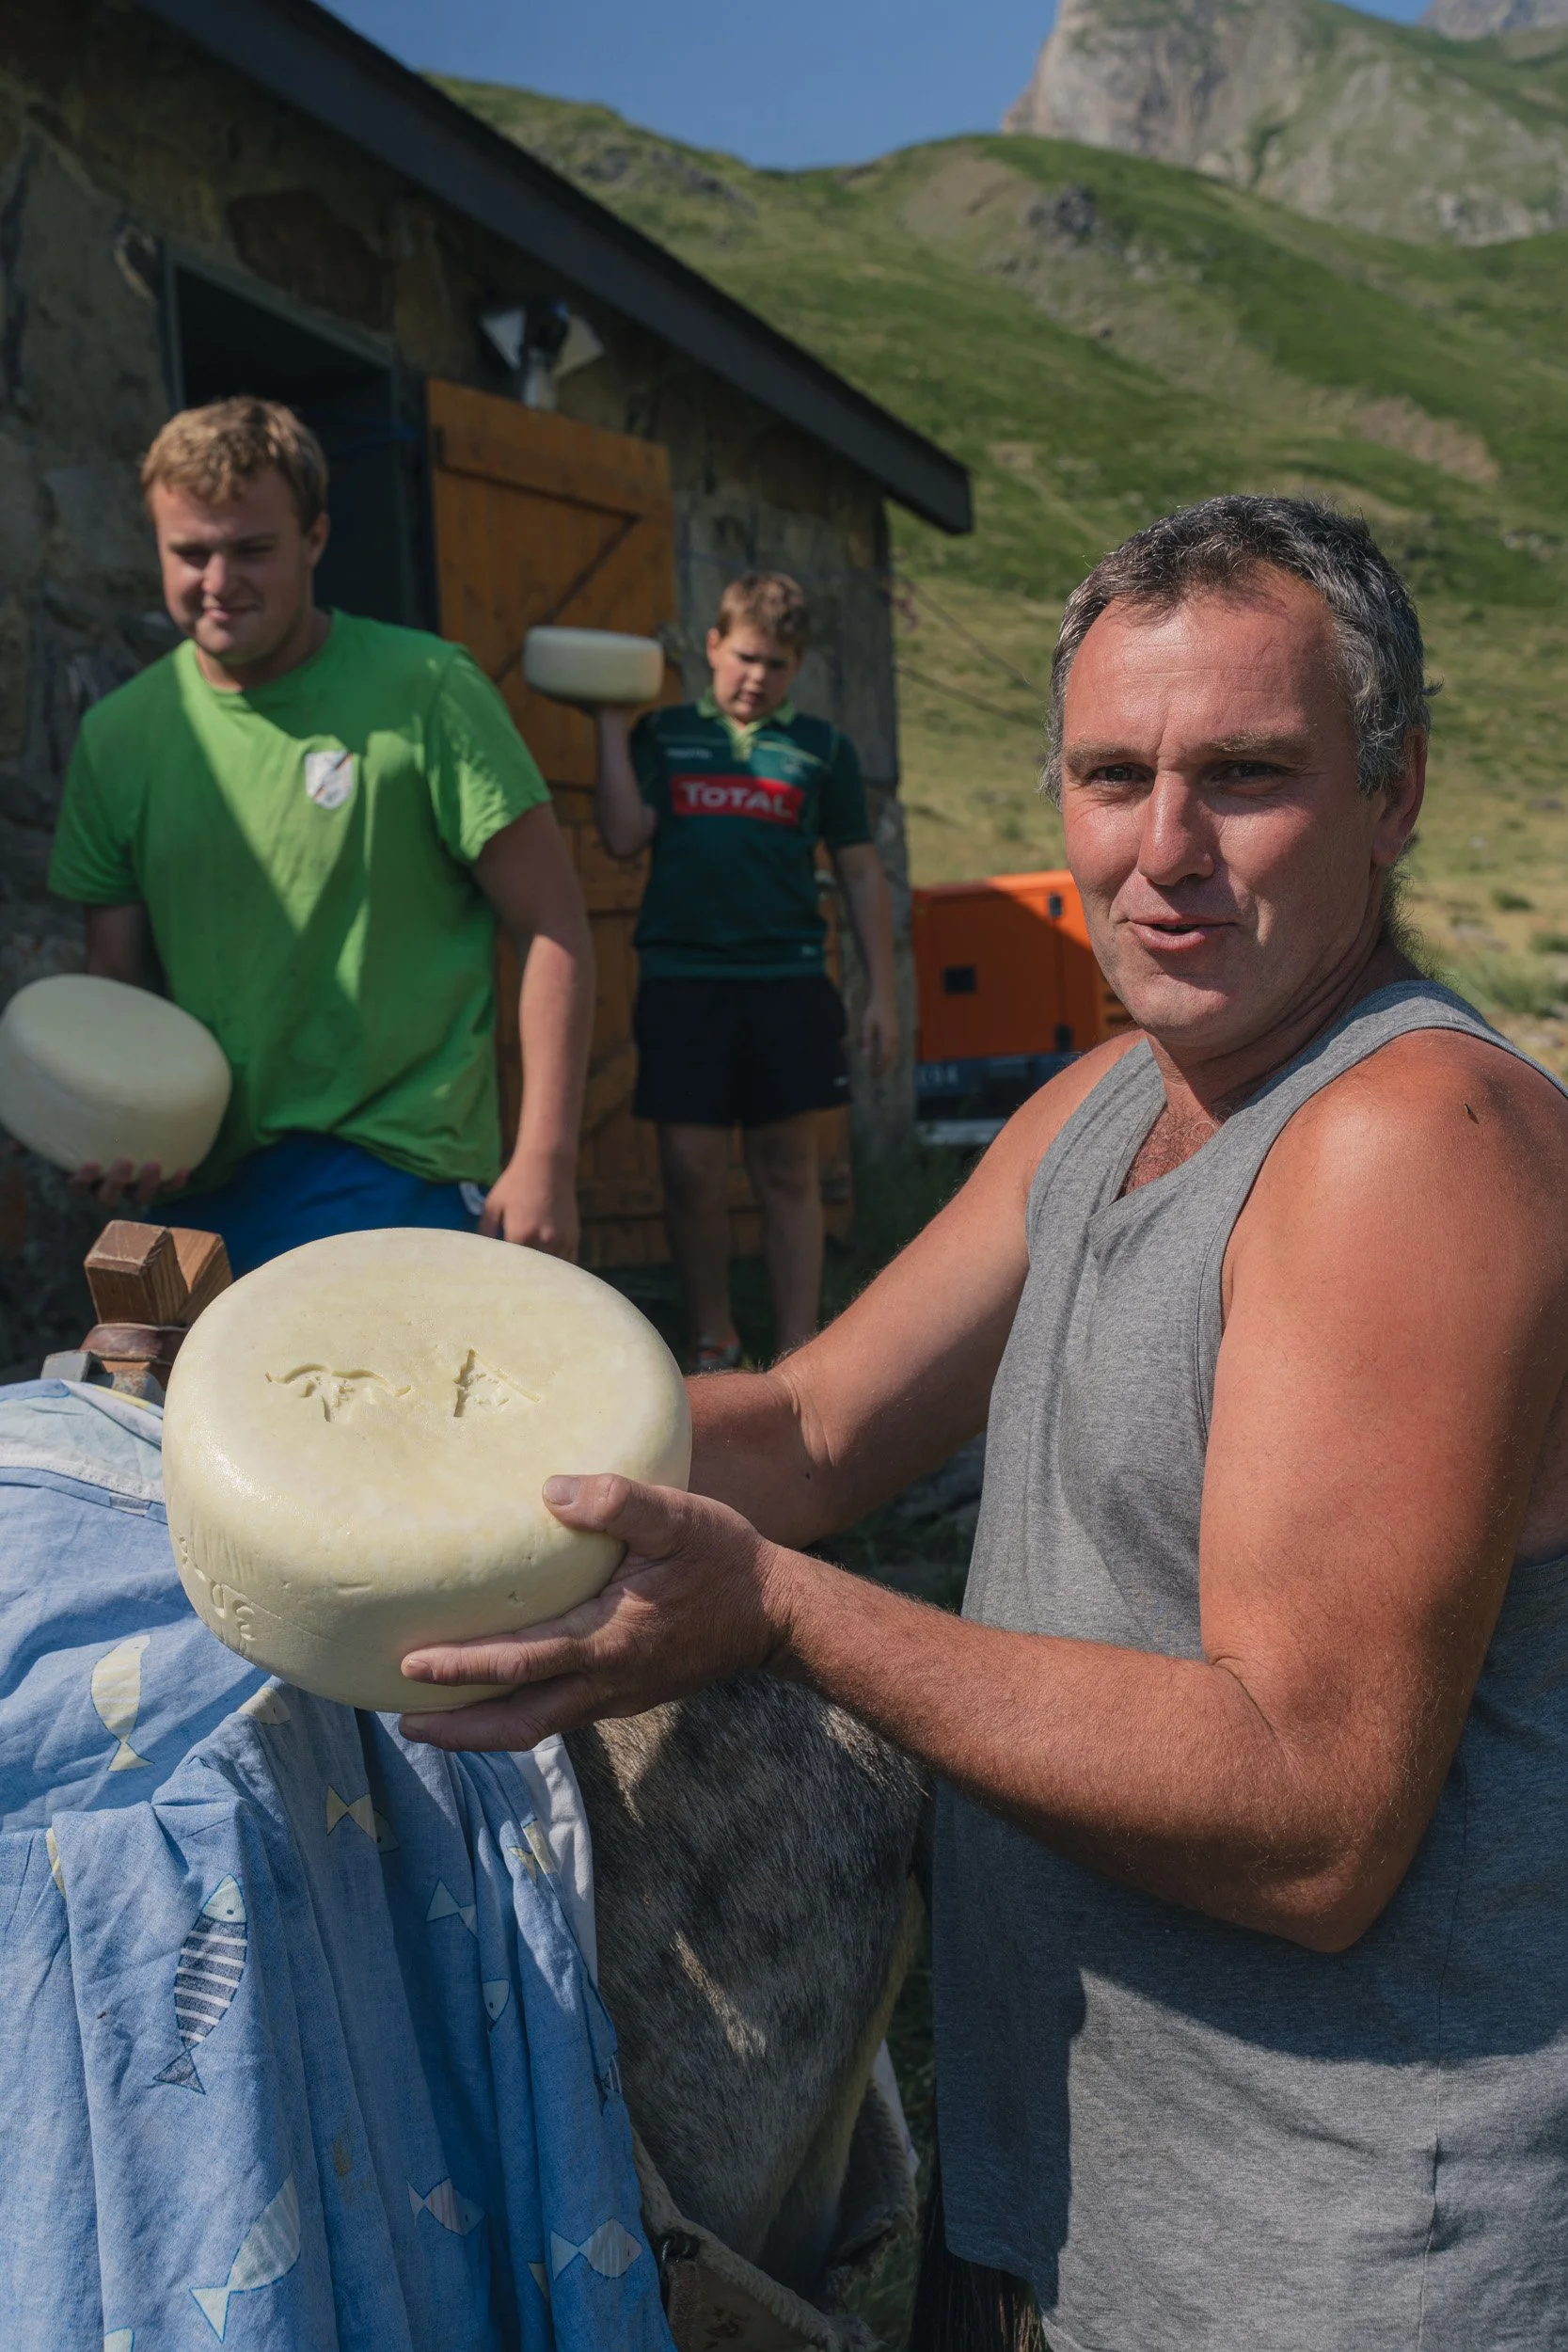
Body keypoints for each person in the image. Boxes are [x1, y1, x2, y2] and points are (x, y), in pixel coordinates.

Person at [402, 498, 1568, 2348]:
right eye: (1110, 775)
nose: (1160, 850)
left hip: (1322, 2249)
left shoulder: (1404, 1148)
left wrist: (784, 1614)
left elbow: (1306, 1811)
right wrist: (415, 1445)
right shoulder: (1115, 1092)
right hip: (1068, 2186)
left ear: (1393, 787)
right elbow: (804, 1414)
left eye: (1244, 775)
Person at [48, 398, 593, 1273]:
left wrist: (546, 1158)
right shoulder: (120, 736)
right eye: (191, 552)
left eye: (252, 548)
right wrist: (116, 1128)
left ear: (315, 540)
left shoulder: (428, 690)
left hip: (397, 1167)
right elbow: (118, 977)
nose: (219, 580)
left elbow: (553, 924)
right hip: (200, 1189)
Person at [590, 571, 898, 1367]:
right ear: (714, 645)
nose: (757, 678)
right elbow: (623, 836)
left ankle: (798, 1357)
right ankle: (712, 1342)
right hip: (682, 983)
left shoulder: (821, 750)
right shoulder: (661, 736)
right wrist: (609, 725)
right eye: (747, 657)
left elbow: (860, 872)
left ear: (795, 669)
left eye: (778, 665)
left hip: (787, 985)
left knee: (785, 1169)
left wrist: (881, 998)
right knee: (690, 1172)